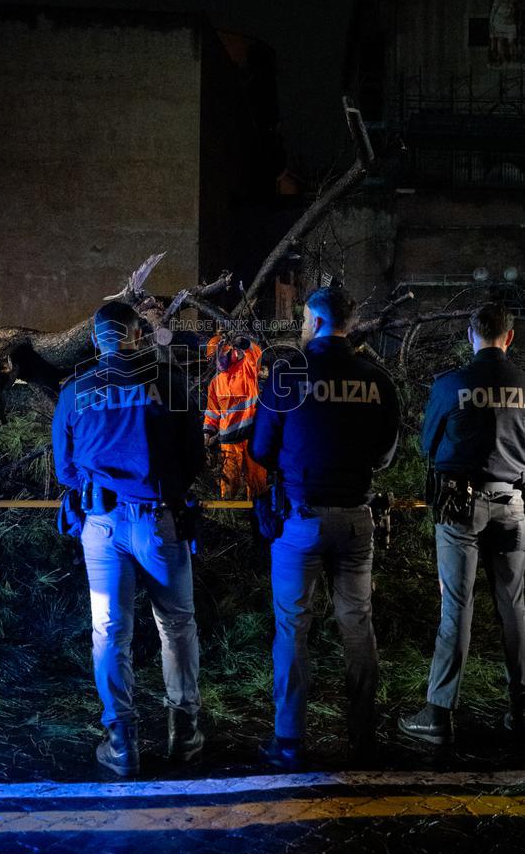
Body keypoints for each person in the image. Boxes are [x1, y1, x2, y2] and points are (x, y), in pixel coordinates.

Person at [52, 301, 205, 776]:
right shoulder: (165, 383)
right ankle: (184, 735)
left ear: (96, 340)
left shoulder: (75, 391)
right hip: (159, 521)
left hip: (101, 526)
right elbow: (194, 457)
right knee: (176, 626)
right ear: (137, 337)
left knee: (110, 633)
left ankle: (121, 743)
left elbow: (65, 468)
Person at [249, 286, 400, 768]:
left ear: (313, 321)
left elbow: (260, 449)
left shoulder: (288, 375)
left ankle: (290, 741)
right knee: (358, 624)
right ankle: (363, 737)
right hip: (357, 519)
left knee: (293, 627)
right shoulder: (377, 379)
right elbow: (384, 453)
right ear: (350, 323)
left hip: (301, 520)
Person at [399, 303, 525, 745]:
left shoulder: (451, 385)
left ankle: (438, 714)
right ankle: (521, 708)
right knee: (515, 608)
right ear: (508, 338)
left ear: (471, 335)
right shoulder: (524, 386)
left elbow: (428, 444)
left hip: (460, 508)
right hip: (513, 504)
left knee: (457, 606)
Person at [203, 333, 268, 499]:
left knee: (257, 479)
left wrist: (246, 344)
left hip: (251, 437)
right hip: (229, 442)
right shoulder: (216, 383)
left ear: (231, 351)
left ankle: (259, 513)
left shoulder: (246, 369)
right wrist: (207, 433)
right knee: (229, 481)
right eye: (214, 358)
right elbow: (212, 412)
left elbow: (256, 353)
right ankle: (227, 510)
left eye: (220, 356)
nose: (218, 361)